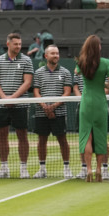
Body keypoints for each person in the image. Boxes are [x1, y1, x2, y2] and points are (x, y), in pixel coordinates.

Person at [0, 32, 34, 179]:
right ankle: (4, 168)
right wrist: (4, 99)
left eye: (20, 44)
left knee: (22, 135)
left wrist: (13, 98)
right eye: (16, 44)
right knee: (2, 136)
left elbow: (27, 82)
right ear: (8, 44)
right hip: (1, 105)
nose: (18, 46)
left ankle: (23, 168)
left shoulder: (27, 61)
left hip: (20, 105)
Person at [74, 35, 109, 182]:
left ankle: (88, 169)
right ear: (98, 47)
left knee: (86, 137)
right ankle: (99, 169)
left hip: (86, 102)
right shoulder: (105, 63)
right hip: (100, 103)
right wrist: (103, 84)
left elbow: (77, 73)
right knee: (100, 136)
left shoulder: (81, 62)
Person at [32, 44, 74, 179]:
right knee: (42, 140)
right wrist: (45, 106)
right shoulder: (38, 73)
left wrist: (53, 106)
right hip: (41, 112)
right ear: (46, 56)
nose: (56, 56)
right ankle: (42, 169)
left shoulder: (66, 72)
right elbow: (36, 92)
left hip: (59, 112)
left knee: (62, 140)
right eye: (52, 53)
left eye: (57, 53)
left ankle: (67, 168)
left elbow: (67, 92)